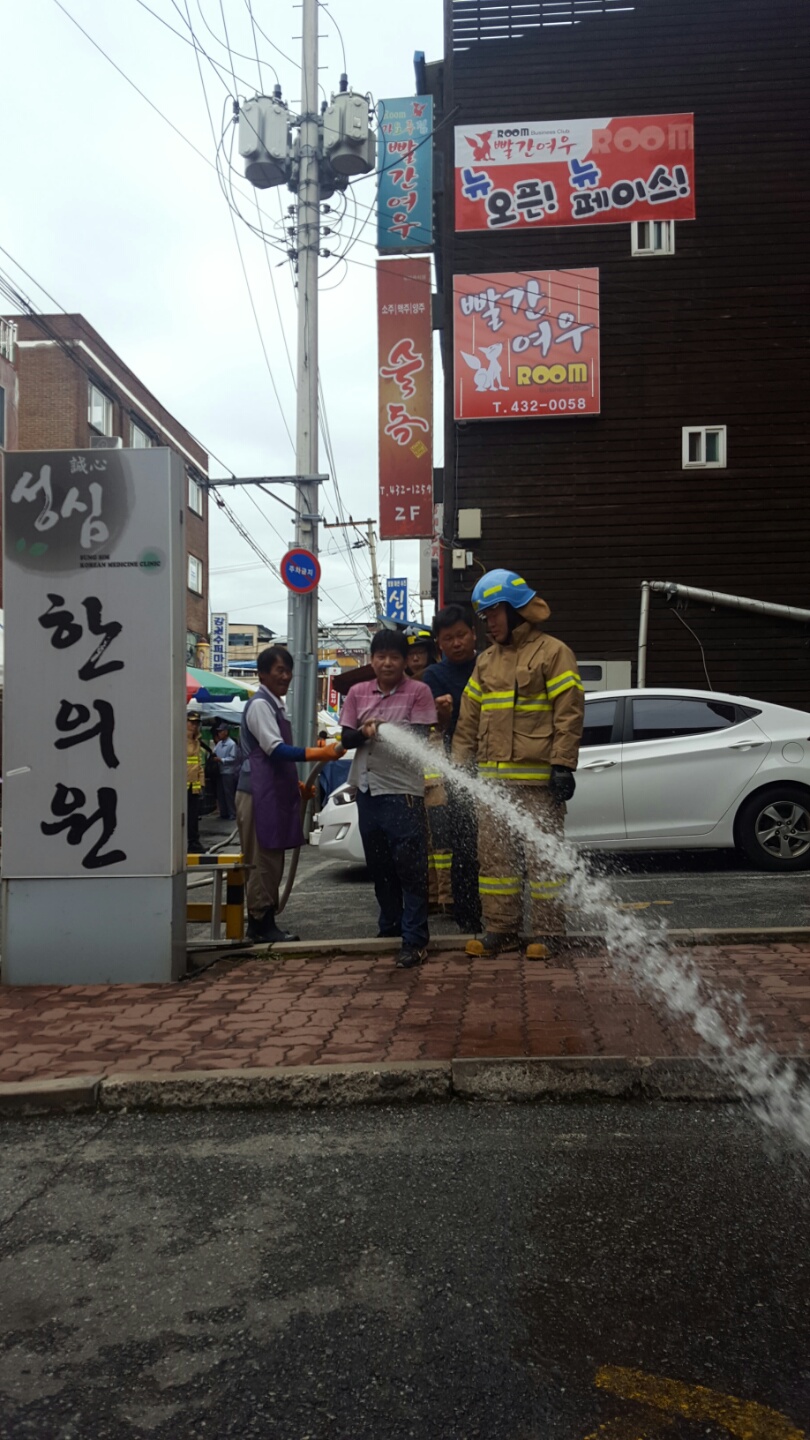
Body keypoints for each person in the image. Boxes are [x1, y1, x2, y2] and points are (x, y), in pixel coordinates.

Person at [452, 569, 584, 961]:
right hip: (492, 786)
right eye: (484, 615)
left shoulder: (553, 653)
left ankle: (549, 932)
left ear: (515, 609)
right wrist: (459, 769)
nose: (488, 623)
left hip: (538, 784)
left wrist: (563, 765)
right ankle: (501, 930)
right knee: (496, 862)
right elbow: (468, 720)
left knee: (544, 862)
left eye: (493, 613)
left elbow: (569, 713)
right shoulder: (485, 662)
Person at [339, 629, 438, 970]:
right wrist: (363, 731)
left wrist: (383, 728)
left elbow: (420, 739)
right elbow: (346, 738)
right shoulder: (357, 693)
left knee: (411, 868)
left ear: (405, 660)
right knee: (380, 867)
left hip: (403, 793)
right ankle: (390, 927)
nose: (387, 663)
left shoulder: (419, 692)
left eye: (394, 657)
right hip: (367, 791)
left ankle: (415, 940)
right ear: (372, 660)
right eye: (380, 656)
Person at [236, 646, 343, 943]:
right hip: (257, 793)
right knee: (261, 859)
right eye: (279, 670)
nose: (285, 676)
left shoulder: (276, 707)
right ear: (262, 674)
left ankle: (266, 919)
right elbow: (275, 750)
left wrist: (296, 786)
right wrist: (320, 753)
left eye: (288, 671)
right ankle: (259, 923)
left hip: (271, 792)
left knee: (271, 857)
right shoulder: (260, 705)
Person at [421, 605, 482, 934]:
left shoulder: (488, 665)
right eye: (448, 638)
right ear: (439, 643)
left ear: (473, 633)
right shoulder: (434, 675)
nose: (457, 643)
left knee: (495, 844)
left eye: (461, 635)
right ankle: (467, 912)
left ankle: (498, 910)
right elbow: (436, 726)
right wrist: (441, 713)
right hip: (459, 767)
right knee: (464, 841)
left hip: (496, 762)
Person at [212, 721, 239, 820]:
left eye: (221, 731)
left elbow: (233, 758)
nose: (219, 733)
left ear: (226, 732)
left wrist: (221, 760)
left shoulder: (231, 744)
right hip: (220, 771)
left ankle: (232, 813)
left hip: (228, 772)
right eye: (218, 732)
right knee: (221, 793)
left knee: (229, 793)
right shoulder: (219, 743)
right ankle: (223, 813)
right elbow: (214, 752)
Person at [186, 713, 205, 854]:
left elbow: (198, 764)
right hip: (183, 785)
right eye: (191, 722)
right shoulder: (180, 740)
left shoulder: (197, 741)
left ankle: (193, 842)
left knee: (193, 816)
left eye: (196, 723)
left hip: (194, 785)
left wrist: (201, 784)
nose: (194, 725)